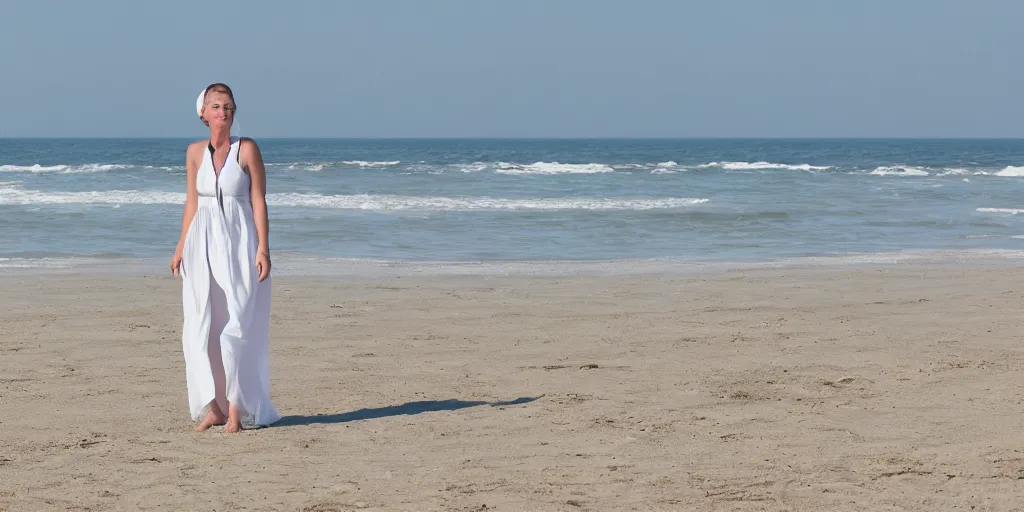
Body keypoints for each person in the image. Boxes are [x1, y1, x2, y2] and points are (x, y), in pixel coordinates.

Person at [170, 83, 280, 432]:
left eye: (228, 106)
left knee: (238, 325)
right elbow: (192, 202)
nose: (223, 112)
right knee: (200, 327)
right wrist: (179, 247)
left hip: (239, 243)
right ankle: (212, 406)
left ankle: (237, 409)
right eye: (216, 106)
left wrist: (263, 248)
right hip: (200, 246)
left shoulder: (246, 150)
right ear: (203, 113)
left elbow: (259, 200)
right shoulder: (193, 153)